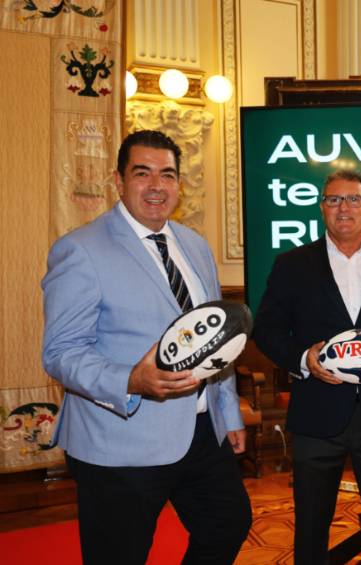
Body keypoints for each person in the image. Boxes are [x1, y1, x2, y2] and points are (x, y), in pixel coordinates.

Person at [41, 130, 252, 565]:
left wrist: (227, 411)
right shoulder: (80, 249)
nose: (157, 186)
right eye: (142, 173)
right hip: (120, 440)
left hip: (201, 432)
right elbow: (61, 351)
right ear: (118, 181)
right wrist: (130, 381)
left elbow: (218, 339)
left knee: (227, 524)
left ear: (179, 184)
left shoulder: (195, 246)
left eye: (167, 175)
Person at [252, 169, 361, 565]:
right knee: (311, 526)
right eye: (333, 200)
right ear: (322, 208)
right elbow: (266, 329)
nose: (343, 208)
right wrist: (304, 359)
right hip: (316, 414)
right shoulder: (291, 264)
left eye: (353, 199)